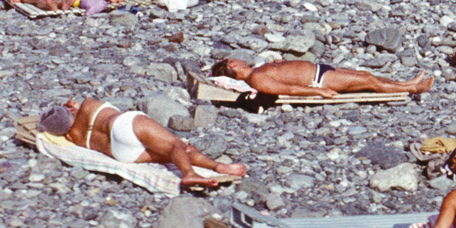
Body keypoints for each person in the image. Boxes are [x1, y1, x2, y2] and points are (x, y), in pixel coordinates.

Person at [37, 100, 246, 188]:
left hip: (120, 153)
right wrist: (74, 106)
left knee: (177, 152)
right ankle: (189, 174)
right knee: (178, 146)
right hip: (123, 125)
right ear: (69, 110)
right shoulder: (87, 104)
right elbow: (79, 107)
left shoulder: (74, 137)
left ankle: (219, 168)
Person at [211, 57, 433, 98]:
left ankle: (406, 83)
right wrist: (319, 91)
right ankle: (414, 90)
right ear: (233, 65)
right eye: (234, 59)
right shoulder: (256, 79)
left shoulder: (258, 70)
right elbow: (289, 90)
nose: (240, 58)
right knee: (370, 83)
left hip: (320, 70)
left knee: (366, 75)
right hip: (320, 81)